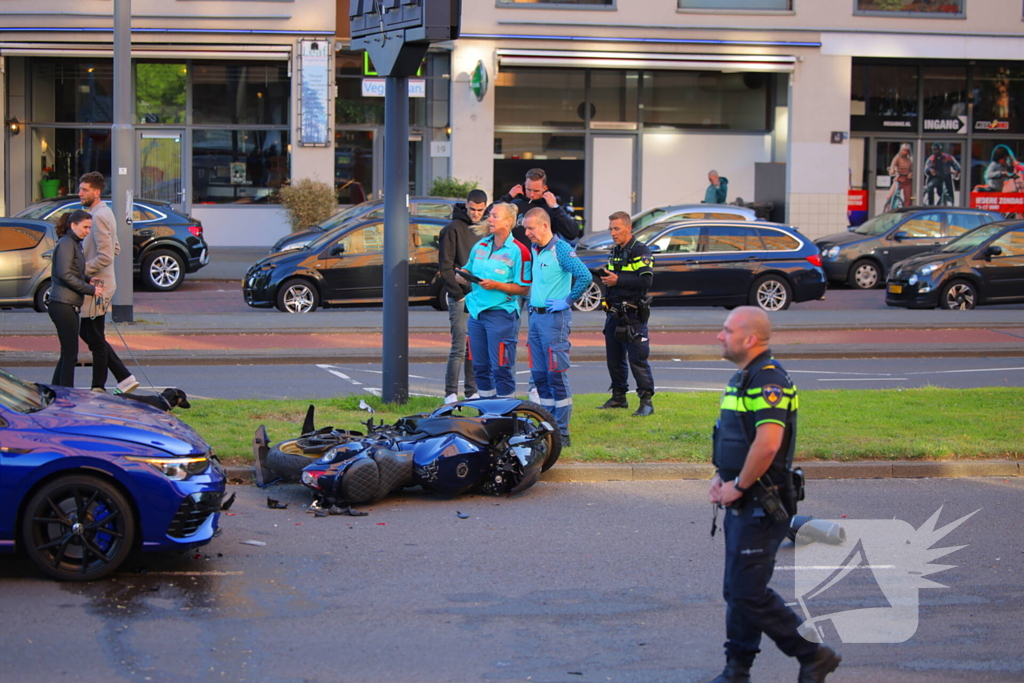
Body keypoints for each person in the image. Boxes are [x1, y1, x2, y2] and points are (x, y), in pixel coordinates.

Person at [707, 307, 841, 683]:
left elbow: (767, 445)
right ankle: (737, 669)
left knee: (748, 592)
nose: (720, 336)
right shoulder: (744, 377)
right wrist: (722, 479)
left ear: (749, 339)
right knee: (737, 591)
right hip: (742, 497)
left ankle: (813, 654)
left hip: (763, 501)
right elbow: (737, 440)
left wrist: (739, 486)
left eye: (727, 330)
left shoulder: (769, 380)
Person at [523, 207, 592, 447]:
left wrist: (568, 300)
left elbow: (585, 276)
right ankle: (549, 425)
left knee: (556, 375)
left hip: (555, 319)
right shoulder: (536, 248)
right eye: (525, 228)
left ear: (544, 225)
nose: (527, 232)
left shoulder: (560, 249)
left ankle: (562, 432)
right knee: (540, 376)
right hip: (536, 318)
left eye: (530, 228)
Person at [458, 203, 532, 399]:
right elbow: (469, 267)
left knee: (501, 368)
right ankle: (487, 414)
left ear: (508, 221)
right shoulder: (480, 245)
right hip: (476, 314)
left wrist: (497, 285)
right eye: (489, 215)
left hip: (501, 315)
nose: (489, 219)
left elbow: (524, 287)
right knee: (480, 369)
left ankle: (506, 416)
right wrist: (463, 274)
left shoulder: (519, 251)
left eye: (494, 216)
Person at [77, 172, 139, 394]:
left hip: (97, 286)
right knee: (90, 334)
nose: (80, 193)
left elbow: (106, 256)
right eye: (80, 188)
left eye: (84, 189)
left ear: (97, 191)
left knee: (93, 336)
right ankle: (123, 377)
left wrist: (80, 270)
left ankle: (100, 386)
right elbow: (115, 247)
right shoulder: (102, 212)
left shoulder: (99, 216)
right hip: (99, 284)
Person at [596, 211, 656, 416]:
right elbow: (613, 279)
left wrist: (618, 280)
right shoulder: (615, 251)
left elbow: (646, 281)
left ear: (629, 228)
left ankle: (646, 402)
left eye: (617, 228)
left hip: (633, 315)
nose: (613, 233)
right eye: (611, 229)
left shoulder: (641, 250)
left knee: (637, 358)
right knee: (614, 358)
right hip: (614, 313)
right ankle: (619, 397)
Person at [438, 189, 487, 403]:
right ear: (466, 205)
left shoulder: (486, 229)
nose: (475, 213)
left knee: (474, 345)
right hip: (461, 297)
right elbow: (445, 266)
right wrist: (457, 295)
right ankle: (450, 392)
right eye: (472, 209)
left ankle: (471, 390)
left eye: (480, 210)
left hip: (479, 295)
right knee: (459, 345)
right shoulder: (452, 229)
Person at [48, 210, 105, 387]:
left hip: (67, 303)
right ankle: (65, 396)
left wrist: (88, 279)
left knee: (67, 353)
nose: (87, 231)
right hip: (63, 304)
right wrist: (91, 289)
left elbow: (73, 271)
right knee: (70, 354)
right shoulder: (67, 243)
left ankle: (56, 392)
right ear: (73, 225)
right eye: (85, 227)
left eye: (90, 227)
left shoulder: (73, 243)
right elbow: (64, 274)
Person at [499, 168, 580, 244]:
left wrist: (556, 208)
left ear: (544, 188)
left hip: (542, 256)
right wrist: (507, 197)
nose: (531, 194)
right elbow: (488, 219)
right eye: (528, 189)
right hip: (516, 257)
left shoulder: (551, 208)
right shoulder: (515, 205)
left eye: (536, 191)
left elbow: (572, 234)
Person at [885, 144, 913, 209]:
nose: (905, 152)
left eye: (907, 151)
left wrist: (911, 173)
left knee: (908, 200)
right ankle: (888, 210)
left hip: (907, 181)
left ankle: (906, 213)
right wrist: (892, 170)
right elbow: (893, 165)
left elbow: (913, 169)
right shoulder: (897, 158)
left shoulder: (910, 160)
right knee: (889, 196)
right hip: (899, 179)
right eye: (904, 150)